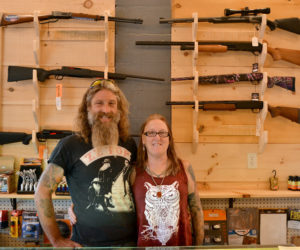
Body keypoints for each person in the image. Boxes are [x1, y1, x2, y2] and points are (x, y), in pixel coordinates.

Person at [69, 113, 205, 246]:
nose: (157, 137)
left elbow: (196, 211)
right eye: (150, 133)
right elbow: (111, 199)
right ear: (143, 140)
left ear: (169, 139)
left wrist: (198, 247)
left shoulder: (185, 168)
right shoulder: (132, 172)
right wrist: (78, 206)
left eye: (162, 132)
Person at [34, 79, 137, 247]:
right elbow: (42, 192)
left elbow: (135, 186)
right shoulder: (69, 145)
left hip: (130, 242)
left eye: (112, 103)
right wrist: (56, 240)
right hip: (86, 244)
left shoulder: (129, 143)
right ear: (88, 107)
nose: (106, 109)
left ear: (118, 109)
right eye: (99, 103)